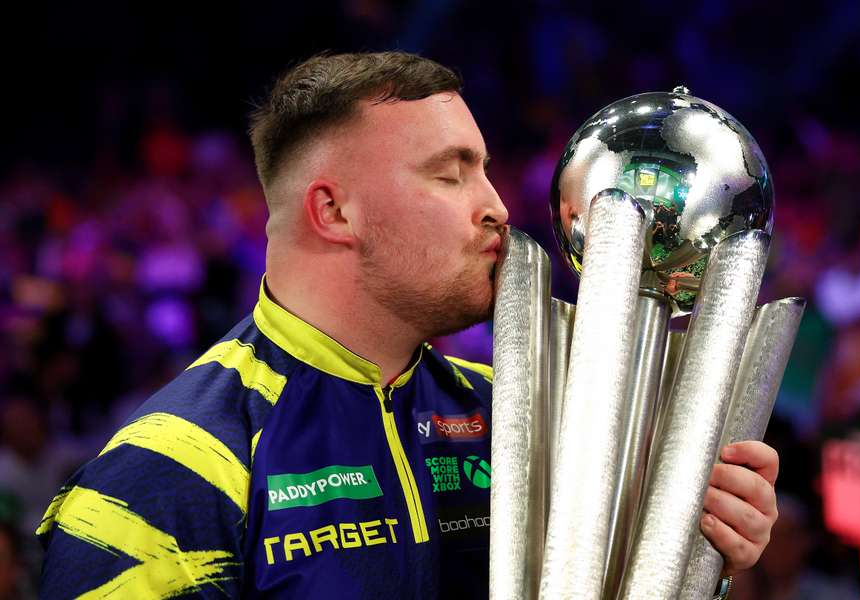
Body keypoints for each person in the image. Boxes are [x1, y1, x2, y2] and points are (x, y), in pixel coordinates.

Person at [37, 51, 779, 598]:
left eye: (485, 169)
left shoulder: (534, 420)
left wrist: (697, 558)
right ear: (334, 212)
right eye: (450, 173)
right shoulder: (163, 478)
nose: (495, 205)